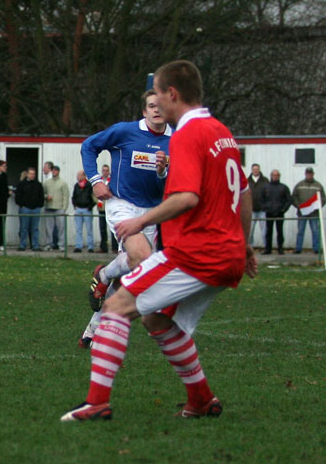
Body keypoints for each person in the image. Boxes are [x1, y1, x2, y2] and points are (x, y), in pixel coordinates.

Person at [61, 59, 258, 422]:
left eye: (157, 95)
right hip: (227, 255)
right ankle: (201, 400)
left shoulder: (185, 134)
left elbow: (187, 198)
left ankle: (97, 403)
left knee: (117, 307)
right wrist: (243, 245)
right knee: (156, 320)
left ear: (172, 94)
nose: (155, 104)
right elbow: (244, 193)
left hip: (196, 253)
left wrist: (140, 221)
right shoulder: (222, 132)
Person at [79, 89, 172, 348]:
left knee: (134, 269)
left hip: (152, 211)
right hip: (122, 204)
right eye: (151, 106)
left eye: (161, 105)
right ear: (144, 111)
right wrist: (96, 180)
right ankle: (105, 276)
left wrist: (163, 172)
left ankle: (92, 331)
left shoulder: (176, 139)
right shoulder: (125, 131)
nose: (157, 110)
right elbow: (88, 146)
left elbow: (172, 185)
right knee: (141, 257)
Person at [291, 166, 325, 254]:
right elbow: (294, 197)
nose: (309, 175)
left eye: (310, 173)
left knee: (315, 231)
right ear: (305, 174)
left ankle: (316, 249)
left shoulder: (318, 185)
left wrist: (318, 206)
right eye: (308, 173)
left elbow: (323, 198)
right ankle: (298, 248)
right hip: (302, 212)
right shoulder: (299, 185)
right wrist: (298, 206)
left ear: (313, 174)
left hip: (314, 213)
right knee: (300, 231)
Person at [260, 169, 291, 255]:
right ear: (271, 176)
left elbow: (289, 200)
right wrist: (264, 208)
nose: (275, 177)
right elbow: (261, 199)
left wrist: (283, 209)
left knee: (280, 232)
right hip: (269, 213)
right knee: (268, 232)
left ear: (279, 176)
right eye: (274, 175)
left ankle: (280, 248)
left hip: (279, 213)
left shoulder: (284, 187)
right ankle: (268, 249)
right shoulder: (266, 187)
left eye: (277, 175)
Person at [15, 167, 44, 251]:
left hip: (36, 209)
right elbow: (18, 196)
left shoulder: (38, 184)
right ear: (27, 174)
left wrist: (39, 205)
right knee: (23, 228)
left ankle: (35, 246)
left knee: (35, 228)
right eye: (31, 174)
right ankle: (22, 245)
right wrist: (22, 205)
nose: (32, 175)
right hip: (25, 209)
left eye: (34, 174)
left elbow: (41, 196)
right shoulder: (21, 184)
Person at [42, 165, 69, 251]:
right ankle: (48, 245)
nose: (54, 172)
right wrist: (46, 197)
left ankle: (61, 245)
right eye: (53, 170)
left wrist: (64, 208)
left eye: (56, 170)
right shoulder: (46, 183)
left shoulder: (63, 183)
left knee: (61, 228)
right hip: (49, 207)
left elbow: (66, 196)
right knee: (48, 228)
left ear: (58, 172)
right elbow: (42, 193)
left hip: (59, 208)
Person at [71, 170, 96, 253]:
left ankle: (90, 246)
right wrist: (75, 205)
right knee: (78, 229)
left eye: (79, 175)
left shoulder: (89, 185)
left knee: (89, 229)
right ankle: (78, 246)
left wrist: (89, 207)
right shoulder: (76, 185)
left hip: (87, 210)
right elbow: (74, 196)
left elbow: (94, 197)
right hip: (78, 209)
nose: (77, 177)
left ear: (84, 176)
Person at [96, 164, 118, 253]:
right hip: (101, 208)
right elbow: (94, 193)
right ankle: (103, 247)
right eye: (104, 170)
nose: (105, 172)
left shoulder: (112, 181)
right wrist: (97, 201)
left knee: (113, 228)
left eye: (106, 170)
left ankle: (115, 247)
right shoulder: (99, 182)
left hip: (110, 208)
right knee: (102, 228)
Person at [247, 164, 269, 248]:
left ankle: (266, 247)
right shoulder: (247, 181)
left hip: (262, 210)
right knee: (250, 230)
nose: (255, 170)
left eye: (257, 169)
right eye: (254, 169)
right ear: (252, 170)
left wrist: (266, 205)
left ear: (259, 170)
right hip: (251, 209)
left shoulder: (265, 180)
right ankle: (250, 247)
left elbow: (268, 194)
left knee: (264, 230)